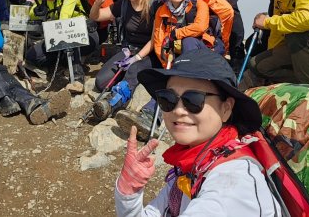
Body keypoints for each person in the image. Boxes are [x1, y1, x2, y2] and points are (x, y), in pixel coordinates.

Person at [114, 49, 280, 216]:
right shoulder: (194, 163)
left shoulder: (233, 184)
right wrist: (128, 192)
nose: (178, 111)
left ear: (226, 109)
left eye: (193, 100)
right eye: (168, 99)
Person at [89, 0, 156, 120]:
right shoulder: (124, 3)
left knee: (133, 71)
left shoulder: (154, 5)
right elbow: (96, 16)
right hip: (128, 51)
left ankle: (112, 103)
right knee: (100, 82)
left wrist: (137, 58)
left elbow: (155, 39)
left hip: (150, 53)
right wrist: (98, 3)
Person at [25, 0, 99, 94]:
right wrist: (37, 11)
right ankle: (65, 60)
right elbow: (31, 13)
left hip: (84, 35)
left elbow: (64, 20)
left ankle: (77, 79)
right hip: (57, 34)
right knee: (32, 56)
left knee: (69, 35)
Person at [152, 0, 224, 70]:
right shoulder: (161, 11)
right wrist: (167, 65)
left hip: (204, 51)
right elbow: (159, 42)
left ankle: (191, 76)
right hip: (178, 55)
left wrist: (175, 34)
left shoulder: (200, 3)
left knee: (189, 42)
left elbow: (200, 27)